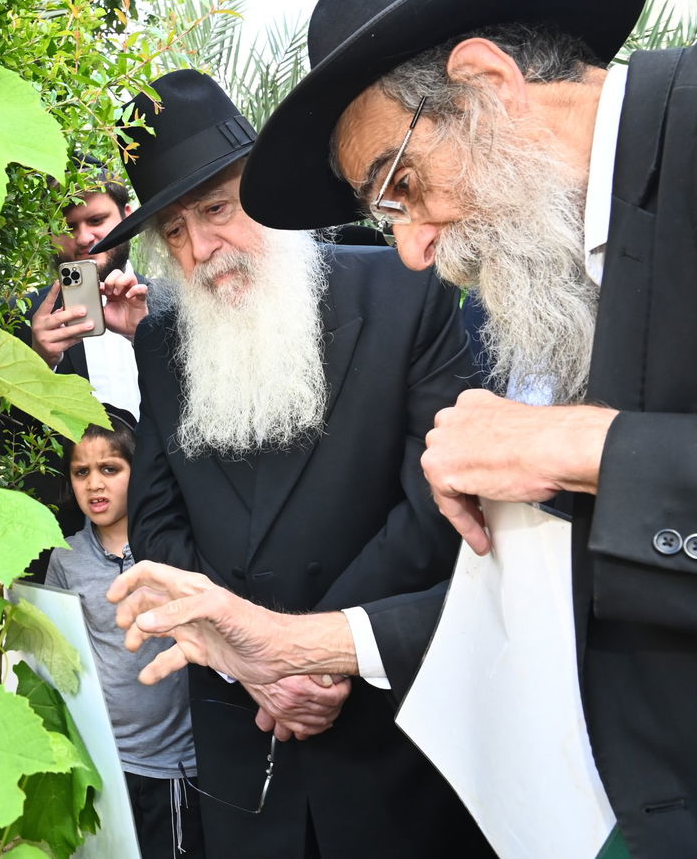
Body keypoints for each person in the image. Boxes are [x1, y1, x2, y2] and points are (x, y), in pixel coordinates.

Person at [117, 0, 697, 854]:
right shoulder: (567, 260)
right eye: (384, 211)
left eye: (401, 186)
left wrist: (576, 448)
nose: (416, 249)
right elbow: (561, 578)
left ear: (489, 85)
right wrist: (285, 649)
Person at [86, 68, 489, 857]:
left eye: (215, 209)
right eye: (173, 231)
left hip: (391, 741)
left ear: (265, 188)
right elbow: (159, 522)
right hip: (245, 748)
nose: (200, 249)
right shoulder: (162, 341)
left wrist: (304, 652)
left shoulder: (406, 292)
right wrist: (249, 660)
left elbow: (439, 509)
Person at [44, 404, 202, 859]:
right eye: (81, 472)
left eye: (110, 469)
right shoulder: (65, 557)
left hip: (173, 761)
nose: (94, 484)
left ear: (142, 473)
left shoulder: (173, 549)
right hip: (102, 758)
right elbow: (59, 654)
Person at [10, 172, 150, 545]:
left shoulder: (172, 304)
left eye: (97, 220)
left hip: (170, 531)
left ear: (127, 215)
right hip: (60, 542)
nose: (84, 237)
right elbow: (0, 438)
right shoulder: (22, 317)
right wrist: (39, 362)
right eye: (69, 227)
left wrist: (145, 337)